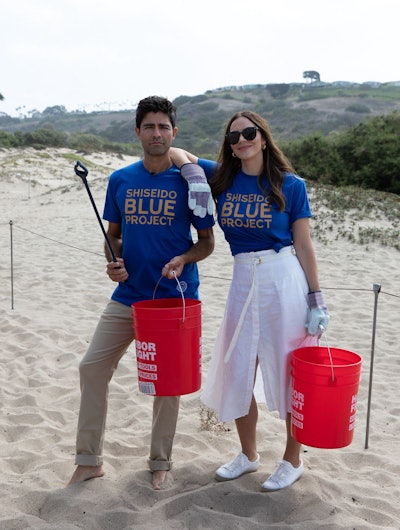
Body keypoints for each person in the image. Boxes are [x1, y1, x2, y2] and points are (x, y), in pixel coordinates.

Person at [171, 110, 329, 492]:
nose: (241, 140)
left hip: (282, 280)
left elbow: (304, 244)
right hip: (242, 280)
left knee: (290, 370)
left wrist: (316, 298)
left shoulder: (289, 185)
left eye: (248, 133)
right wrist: (194, 175)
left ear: (263, 136)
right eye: (233, 136)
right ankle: (249, 454)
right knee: (240, 368)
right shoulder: (221, 177)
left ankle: (293, 460)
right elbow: (178, 152)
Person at [67, 96, 215, 490]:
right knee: (92, 368)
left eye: (163, 127)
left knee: (167, 385)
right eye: (149, 126)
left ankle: (160, 461)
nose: (156, 133)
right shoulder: (121, 179)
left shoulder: (189, 180)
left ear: (174, 133)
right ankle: (88, 461)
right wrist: (113, 262)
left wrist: (184, 257)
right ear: (137, 132)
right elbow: (112, 236)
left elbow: (206, 243)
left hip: (173, 298)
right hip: (128, 296)